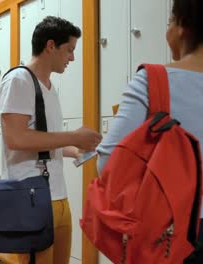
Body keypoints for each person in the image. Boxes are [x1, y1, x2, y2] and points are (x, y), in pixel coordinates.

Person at [96, 0, 203, 262]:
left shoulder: (154, 80)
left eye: (169, 21)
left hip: (173, 234)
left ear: (181, 27)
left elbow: (108, 164)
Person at [0, 16, 102, 264]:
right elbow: (15, 138)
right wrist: (73, 136)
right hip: (30, 195)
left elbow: (43, 140)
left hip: (57, 194)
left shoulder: (49, 87)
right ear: (50, 46)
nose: (72, 58)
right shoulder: (19, 80)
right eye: (69, 50)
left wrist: (73, 149)